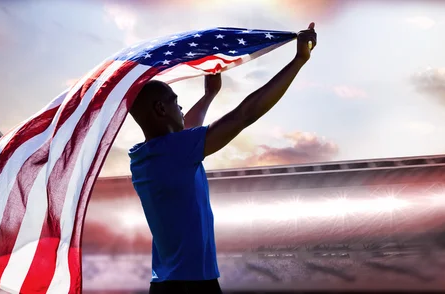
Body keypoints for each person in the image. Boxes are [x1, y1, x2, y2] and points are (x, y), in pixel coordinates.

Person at [128, 22, 317, 294]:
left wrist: (209, 95)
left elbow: (187, 129)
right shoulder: (176, 150)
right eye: (174, 101)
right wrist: (298, 61)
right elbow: (245, 114)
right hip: (192, 285)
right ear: (160, 108)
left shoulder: (144, 157)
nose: (180, 107)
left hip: (168, 283)